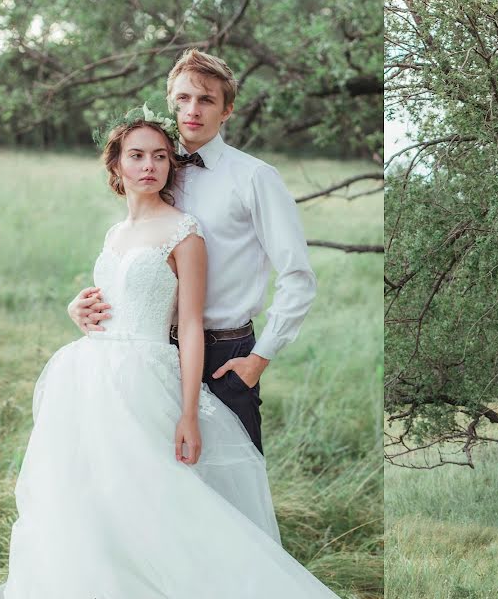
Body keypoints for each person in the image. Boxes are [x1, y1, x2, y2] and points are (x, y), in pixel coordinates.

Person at [0, 113, 338, 598]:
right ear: (116, 165)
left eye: (159, 156)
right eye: (136, 155)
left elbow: (190, 324)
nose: (149, 165)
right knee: (87, 498)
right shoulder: (115, 233)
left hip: (146, 378)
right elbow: (112, 299)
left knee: (156, 501)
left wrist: (189, 413)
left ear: (171, 165)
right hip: (90, 378)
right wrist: (79, 309)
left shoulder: (184, 231)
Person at [68, 49, 317, 455]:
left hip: (225, 356)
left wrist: (258, 360)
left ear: (227, 110)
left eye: (206, 100)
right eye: (183, 98)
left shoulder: (254, 178)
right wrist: (83, 307)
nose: (192, 110)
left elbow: (298, 276)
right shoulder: (155, 167)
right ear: (171, 103)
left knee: (233, 485)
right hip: (152, 356)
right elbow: (139, 258)